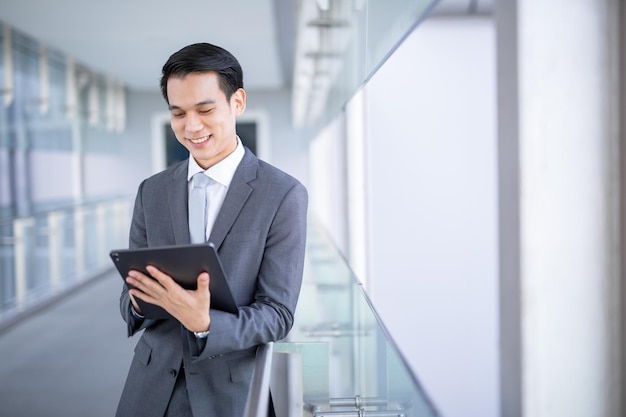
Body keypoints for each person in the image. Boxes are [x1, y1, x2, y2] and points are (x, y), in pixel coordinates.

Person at [115, 42, 308, 417]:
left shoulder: (283, 194)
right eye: (178, 113)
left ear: (237, 102)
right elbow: (128, 303)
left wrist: (204, 322)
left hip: (228, 394)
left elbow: (278, 314)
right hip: (150, 389)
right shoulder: (151, 191)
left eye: (205, 109)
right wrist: (141, 297)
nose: (192, 127)